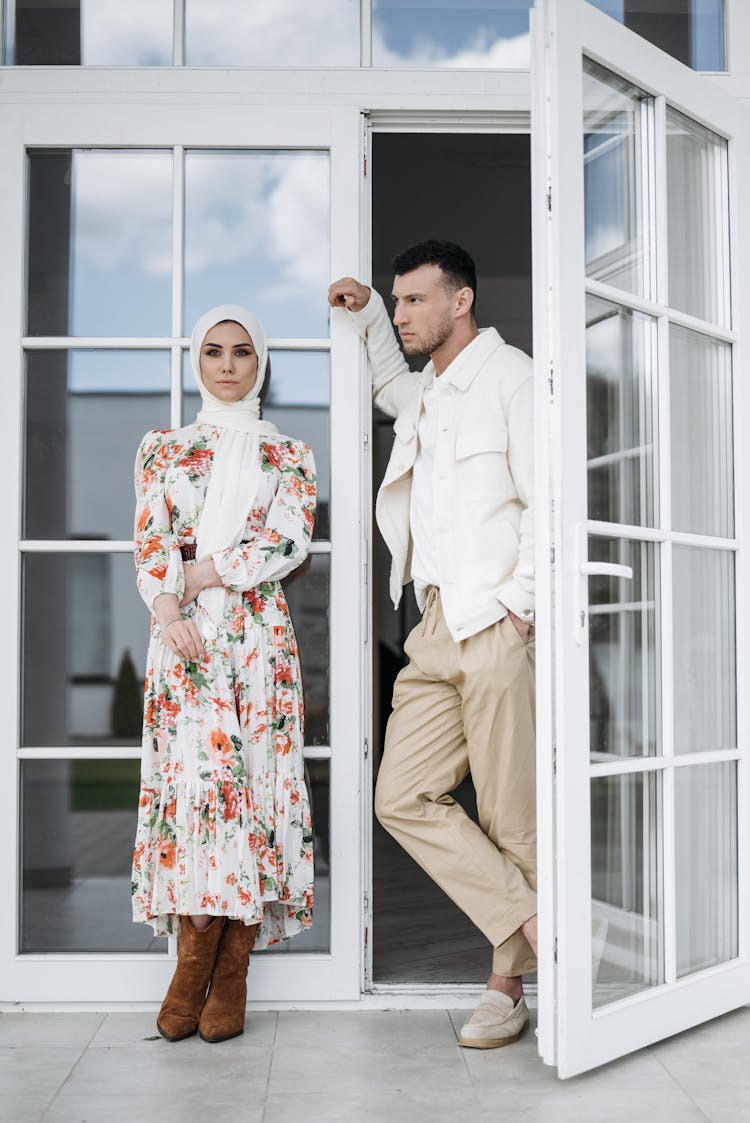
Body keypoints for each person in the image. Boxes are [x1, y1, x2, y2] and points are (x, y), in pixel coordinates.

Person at [329, 241, 536, 1049]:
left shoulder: (514, 379)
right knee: (400, 794)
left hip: (493, 620)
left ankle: (505, 989)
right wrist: (371, 317)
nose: (406, 312)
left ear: (462, 301)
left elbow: (548, 500)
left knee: (509, 813)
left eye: (415, 300)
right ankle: (535, 916)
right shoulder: (429, 393)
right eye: (399, 301)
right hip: (433, 623)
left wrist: (519, 608)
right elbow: (389, 383)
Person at [131, 305, 316, 1044]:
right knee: (195, 795)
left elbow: (289, 541)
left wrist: (206, 569)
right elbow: (150, 537)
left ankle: (230, 970)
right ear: (197, 360)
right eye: (213, 350)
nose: (229, 364)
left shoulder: (291, 455)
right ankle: (191, 961)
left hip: (258, 641)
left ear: (260, 362)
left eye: (243, 351)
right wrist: (169, 603)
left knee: (256, 790)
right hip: (183, 640)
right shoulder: (164, 448)